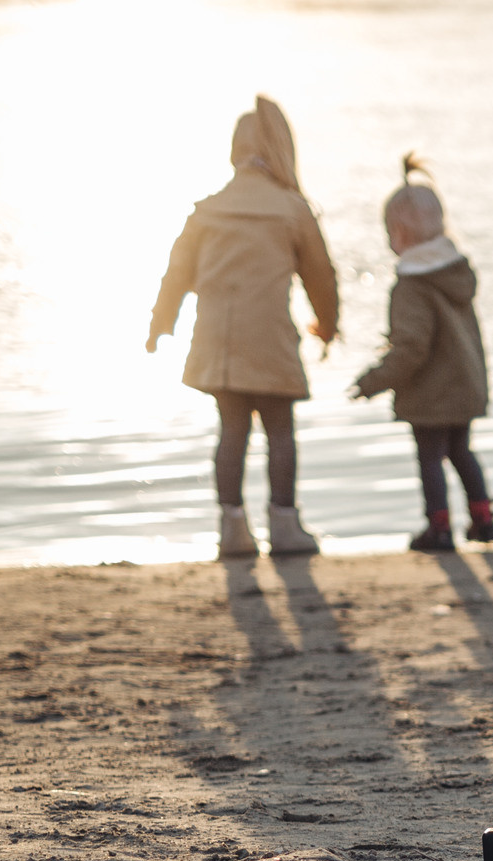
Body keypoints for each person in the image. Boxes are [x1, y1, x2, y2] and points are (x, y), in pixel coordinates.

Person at [148, 96, 340, 560]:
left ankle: (232, 529)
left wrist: (161, 324)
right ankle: (285, 525)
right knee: (280, 433)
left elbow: (177, 273)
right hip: (270, 338)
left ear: (234, 151)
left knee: (231, 433)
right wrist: (328, 326)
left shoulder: (208, 210)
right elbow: (321, 275)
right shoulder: (292, 209)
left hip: (219, 342)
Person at [351, 154, 493, 550]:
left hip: (431, 392)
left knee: (430, 457)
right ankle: (483, 519)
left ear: (398, 233)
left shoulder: (411, 287)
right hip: (465, 384)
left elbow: (411, 348)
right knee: (461, 452)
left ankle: (439, 528)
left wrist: (373, 381)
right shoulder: (456, 272)